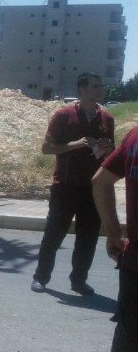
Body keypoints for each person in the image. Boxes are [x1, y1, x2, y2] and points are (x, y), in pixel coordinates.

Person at [31, 73, 114, 295]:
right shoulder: (63, 115)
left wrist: (109, 149)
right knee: (53, 235)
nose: (100, 90)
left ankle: (78, 280)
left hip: (93, 189)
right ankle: (41, 277)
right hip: (65, 187)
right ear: (81, 90)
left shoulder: (107, 118)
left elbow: (111, 156)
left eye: (100, 85)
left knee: (88, 238)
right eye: (95, 86)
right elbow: (46, 148)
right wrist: (74, 144)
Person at [91, 130, 138, 352]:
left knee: (128, 347)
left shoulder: (135, 137)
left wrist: (112, 233)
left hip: (134, 263)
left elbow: (100, 181)